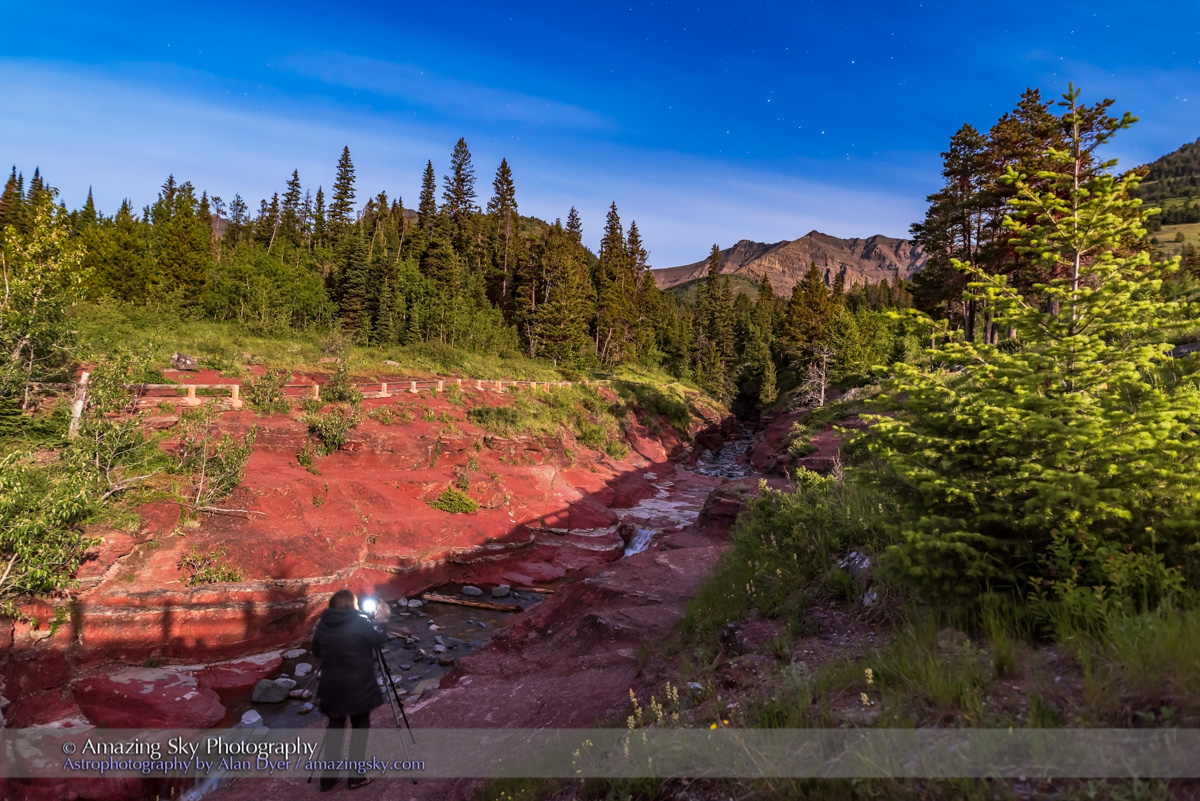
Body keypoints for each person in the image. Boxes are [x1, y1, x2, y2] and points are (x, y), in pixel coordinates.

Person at [311, 589, 391, 792]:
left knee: (335, 728)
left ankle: (328, 779)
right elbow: (378, 640)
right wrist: (382, 620)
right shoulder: (360, 623)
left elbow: (316, 652)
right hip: (359, 688)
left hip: (331, 688)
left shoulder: (322, 625)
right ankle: (356, 777)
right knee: (360, 728)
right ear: (352, 605)